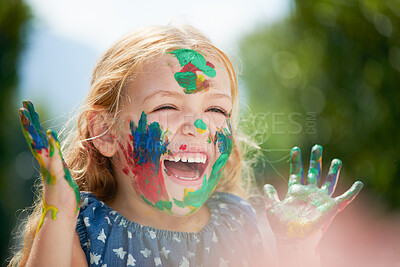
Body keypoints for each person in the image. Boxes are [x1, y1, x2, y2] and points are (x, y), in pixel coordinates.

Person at [9, 25, 363, 267]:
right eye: (166, 107)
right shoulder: (84, 228)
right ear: (105, 132)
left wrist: (297, 246)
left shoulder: (237, 223)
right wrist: (58, 209)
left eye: (215, 110)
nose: (197, 126)